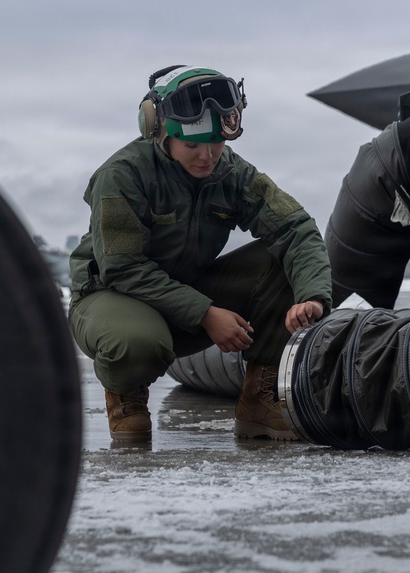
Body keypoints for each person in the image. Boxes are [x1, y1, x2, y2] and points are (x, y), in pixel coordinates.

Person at [68, 65, 332, 442]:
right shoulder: (122, 175)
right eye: (192, 146)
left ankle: (259, 399)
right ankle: (126, 393)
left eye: (216, 143)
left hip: (185, 291)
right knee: (136, 342)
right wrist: (206, 313)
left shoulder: (232, 173)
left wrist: (312, 298)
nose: (207, 157)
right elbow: (123, 269)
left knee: (282, 260)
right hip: (112, 297)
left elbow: (295, 229)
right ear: (159, 132)